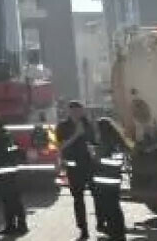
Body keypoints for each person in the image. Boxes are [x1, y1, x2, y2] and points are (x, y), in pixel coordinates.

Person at [56, 100, 97, 240]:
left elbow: (95, 141)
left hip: (89, 165)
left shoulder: (88, 124)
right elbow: (61, 146)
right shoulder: (63, 126)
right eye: (74, 111)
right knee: (78, 199)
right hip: (74, 168)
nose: (78, 113)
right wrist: (76, 135)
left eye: (80, 110)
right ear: (70, 111)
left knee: (98, 195)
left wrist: (93, 149)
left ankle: (102, 222)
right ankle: (83, 229)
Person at [0, 119, 28, 236]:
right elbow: (15, 152)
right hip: (11, 173)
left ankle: (16, 226)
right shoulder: (7, 136)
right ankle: (16, 226)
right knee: (12, 201)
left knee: (10, 202)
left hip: (4, 174)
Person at [92, 118, 130, 241]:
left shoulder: (106, 143)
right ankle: (118, 233)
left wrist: (95, 157)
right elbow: (118, 162)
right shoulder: (117, 143)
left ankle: (115, 235)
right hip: (114, 181)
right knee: (115, 209)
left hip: (105, 181)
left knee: (109, 210)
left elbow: (105, 161)